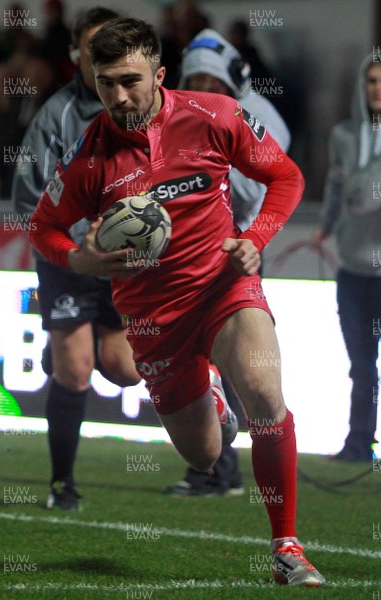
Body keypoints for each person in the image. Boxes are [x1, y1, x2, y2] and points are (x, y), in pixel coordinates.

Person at [29, 17, 325, 586]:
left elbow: (285, 178)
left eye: (130, 81)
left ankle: (286, 547)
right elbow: (44, 227)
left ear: (161, 74)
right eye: (105, 82)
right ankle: (209, 390)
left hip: (223, 287)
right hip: (152, 319)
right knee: (204, 457)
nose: (117, 96)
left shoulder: (215, 117)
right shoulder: (88, 157)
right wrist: (79, 260)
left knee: (265, 396)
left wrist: (254, 239)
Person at [12, 7, 142, 511]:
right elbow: (28, 203)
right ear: (75, 56)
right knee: (77, 372)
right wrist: (74, 244)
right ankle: (62, 483)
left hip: (119, 263)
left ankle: (59, 353)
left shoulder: (140, 111)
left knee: (126, 369)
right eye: (92, 50)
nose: (101, 60)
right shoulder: (55, 117)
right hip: (68, 260)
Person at [163, 27, 291, 497]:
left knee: (240, 365)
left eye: (211, 83)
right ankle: (215, 466)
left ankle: (226, 471)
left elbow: (260, 189)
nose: (202, 90)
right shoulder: (187, 115)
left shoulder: (258, 117)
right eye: (194, 80)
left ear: (233, 80)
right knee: (204, 364)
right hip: (193, 256)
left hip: (238, 253)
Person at [314, 53, 381, 462]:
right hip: (354, 271)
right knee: (361, 366)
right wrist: (323, 228)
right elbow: (337, 189)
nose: (377, 87)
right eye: (371, 80)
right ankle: (358, 444)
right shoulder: (342, 135)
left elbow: (360, 194)